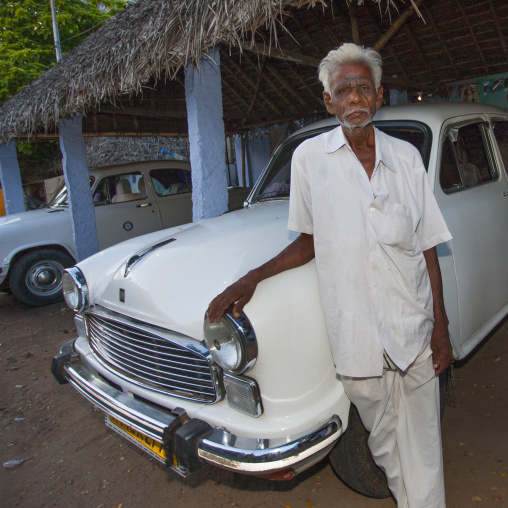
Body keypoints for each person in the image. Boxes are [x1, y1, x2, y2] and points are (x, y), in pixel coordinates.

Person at [207, 43, 452, 507]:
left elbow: (428, 247)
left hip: (412, 326)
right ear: (328, 102)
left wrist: (440, 327)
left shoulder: (406, 159)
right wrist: (252, 277)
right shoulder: (308, 159)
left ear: (379, 97)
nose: (354, 97)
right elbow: (309, 241)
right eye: (344, 90)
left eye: (363, 88)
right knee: (383, 443)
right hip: (355, 335)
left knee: (423, 441)